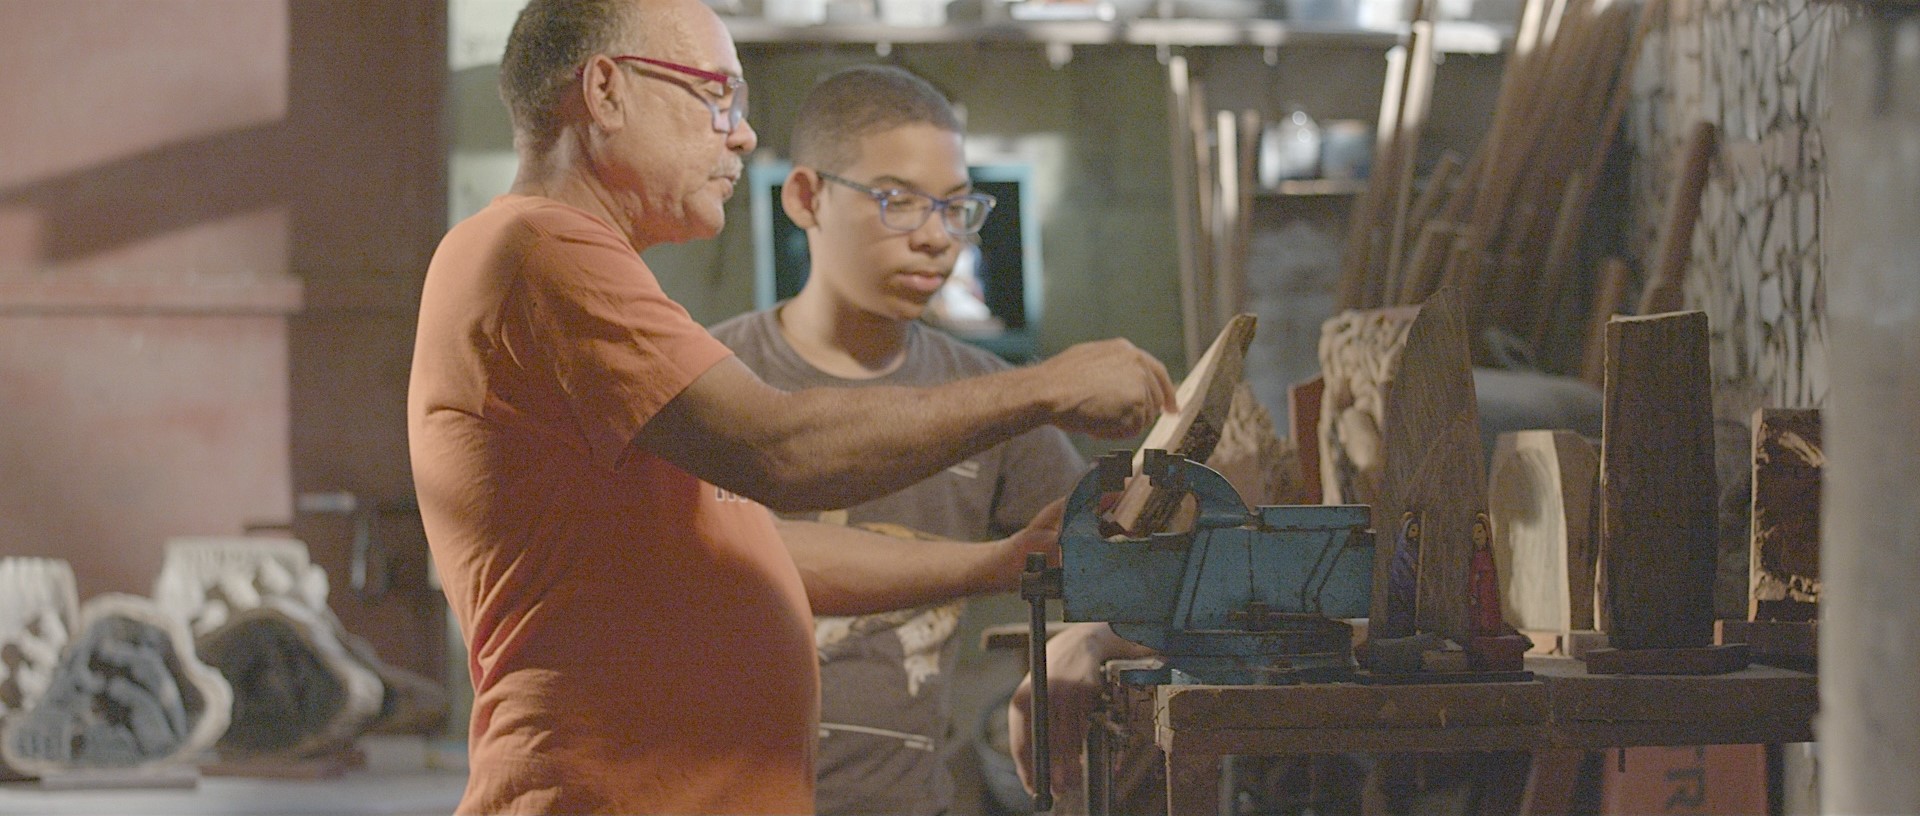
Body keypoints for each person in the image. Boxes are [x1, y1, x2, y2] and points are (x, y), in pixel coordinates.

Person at [405, 0, 1178, 813]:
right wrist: (1046, 386)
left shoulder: (591, 279)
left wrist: (1003, 562)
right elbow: (780, 452)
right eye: (717, 95)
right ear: (605, 91)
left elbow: (752, 545)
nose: (742, 135)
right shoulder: (541, 248)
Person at [708, 64, 1088, 816]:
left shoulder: (990, 398)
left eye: (956, 207)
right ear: (806, 197)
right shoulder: (710, 384)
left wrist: (1086, 641)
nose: (936, 237)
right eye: (898, 201)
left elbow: (1120, 556)